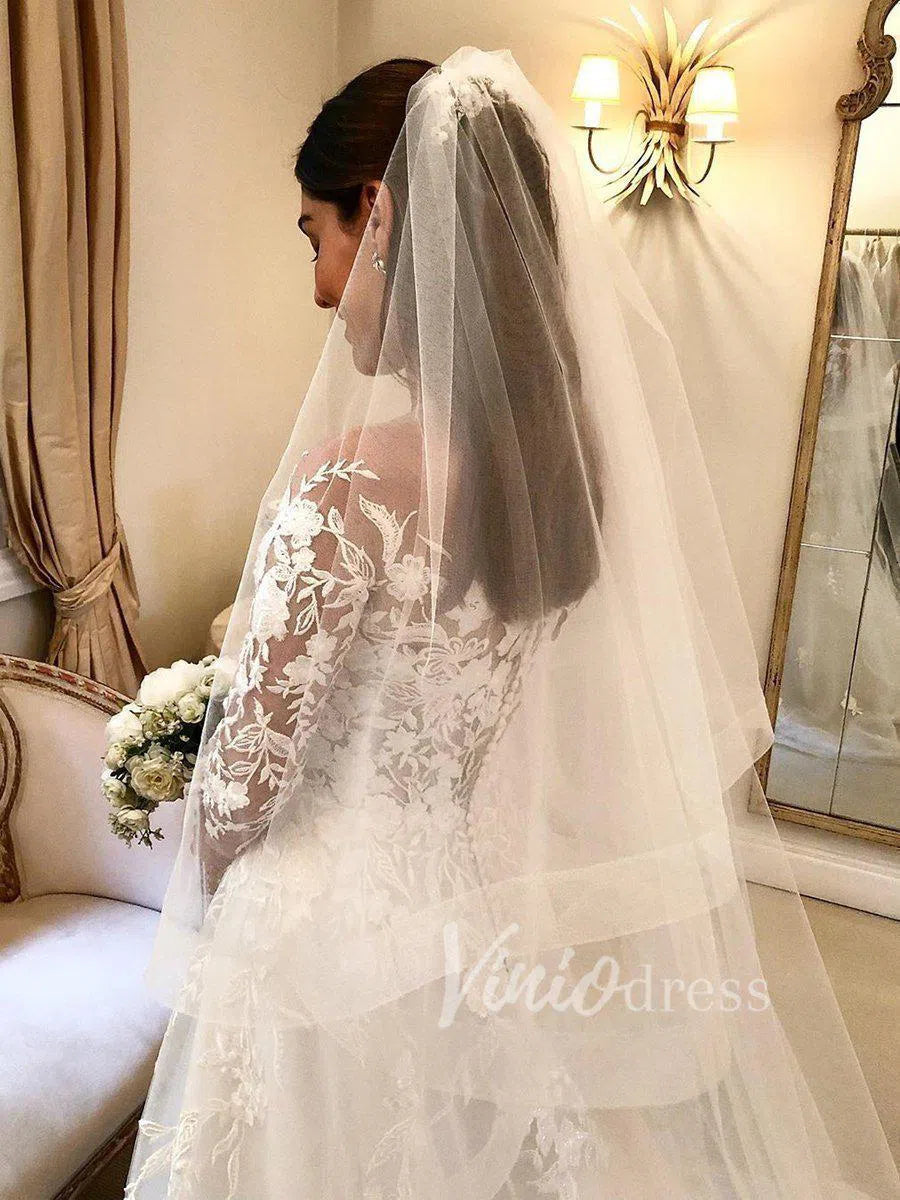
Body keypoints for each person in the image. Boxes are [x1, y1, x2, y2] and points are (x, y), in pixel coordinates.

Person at [125, 47, 900, 1199]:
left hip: (315, 949)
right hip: (455, 928)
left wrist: (198, 817)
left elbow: (242, 792)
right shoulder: (552, 480)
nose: (322, 287)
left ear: (381, 216)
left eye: (317, 237)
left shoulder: (350, 487)